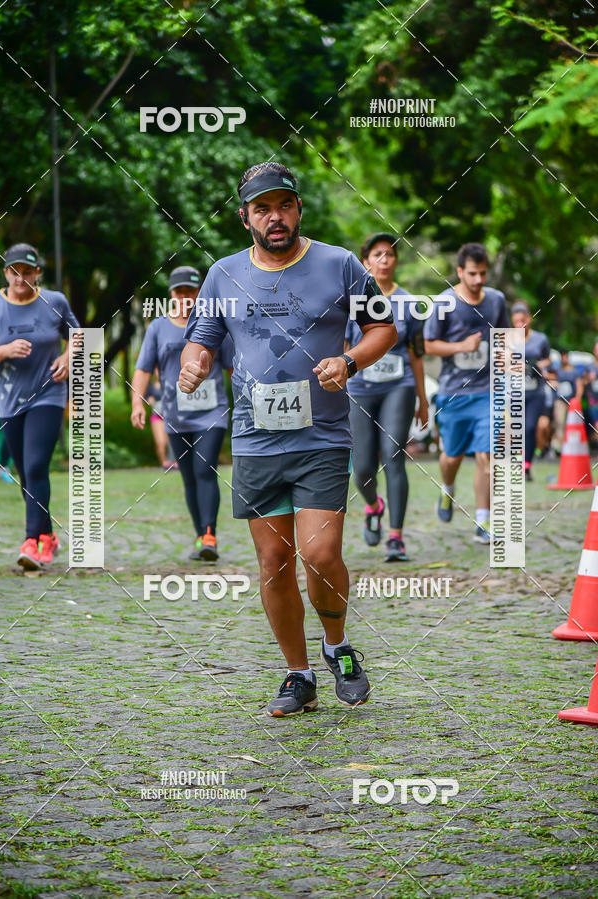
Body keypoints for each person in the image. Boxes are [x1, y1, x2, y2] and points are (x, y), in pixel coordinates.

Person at [179, 161, 397, 716]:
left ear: (298, 208)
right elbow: (201, 338)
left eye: (283, 205)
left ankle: (337, 645)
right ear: (244, 218)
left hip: (322, 435)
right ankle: (298, 675)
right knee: (274, 561)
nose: (274, 217)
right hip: (254, 441)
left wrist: (347, 361)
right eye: (261, 209)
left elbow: (383, 328)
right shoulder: (223, 274)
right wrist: (195, 364)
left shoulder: (340, 265)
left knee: (320, 554)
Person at [131, 266, 232, 561]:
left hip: (211, 411)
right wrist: (138, 404)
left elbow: (232, 366)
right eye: (180, 291)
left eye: (191, 290)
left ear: (200, 292)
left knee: (204, 469)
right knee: (189, 477)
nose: (186, 296)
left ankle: (210, 534)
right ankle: (201, 535)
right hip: (175, 414)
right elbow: (144, 369)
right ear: (171, 294)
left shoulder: (214, 323)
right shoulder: (158, 328)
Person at [345, 233, 428, 562]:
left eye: (389, 254)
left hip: (400, 385)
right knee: (363, 467)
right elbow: (342, 347)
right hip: (361, 387)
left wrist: (422, 398)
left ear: (396, 262)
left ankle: (396, 536)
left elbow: (417, 353)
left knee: (393, 454)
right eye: (377, 254)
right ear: (365, 261)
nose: (384, 259)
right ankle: (373, 506)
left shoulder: (409, 302)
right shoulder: (353, 300)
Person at [0, 243, 79, 569]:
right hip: (8, 401)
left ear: (37, 273)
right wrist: (4, 350)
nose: (21, 278)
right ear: (6, 273)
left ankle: (33, 542)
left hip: (48, 395)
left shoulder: (54, 301)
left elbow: (78, 334)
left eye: (28, 271)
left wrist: (68, 356)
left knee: (34, 466)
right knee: (24, 473)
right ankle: (47, 534)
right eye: (15, 271)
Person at [424, 242, 510, 543]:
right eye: (472, 273)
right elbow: (428, 345)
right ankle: (447, 489)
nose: (478, 280)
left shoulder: (497, 301)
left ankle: (484, 521)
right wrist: (462, 346)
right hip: (454, 392)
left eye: (483, 273)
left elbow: (504, 340)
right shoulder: (444, 302)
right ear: (459, 271)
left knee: (487, 455)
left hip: (487, 390)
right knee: (451, 457)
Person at [510, 300, 551, 481]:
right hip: (515, 391)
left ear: (529, 319)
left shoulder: (540, 339)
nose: (520, 324)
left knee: (531, 426)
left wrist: (539, 365)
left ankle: (526, 465)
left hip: (536, 391)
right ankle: (517, 464)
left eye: (523, 320)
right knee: (516, 429)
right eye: (516, 321)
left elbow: (548, 359)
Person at [553, 349, 583, 453]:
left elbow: (579, 385)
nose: (563, 358)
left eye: (565, 356)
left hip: (571, 401)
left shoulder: (574, 371)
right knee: (559, 422)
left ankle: (572, 446)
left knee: (572, 423)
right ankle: (559, 447)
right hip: (560, 400)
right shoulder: (557, 370)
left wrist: (577, 400)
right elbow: (551, 379)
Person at [583, 339, 598, 449]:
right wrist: (589, 378)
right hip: (593, 401)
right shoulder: (589, 367)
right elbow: (582, 383)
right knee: (596, 425)